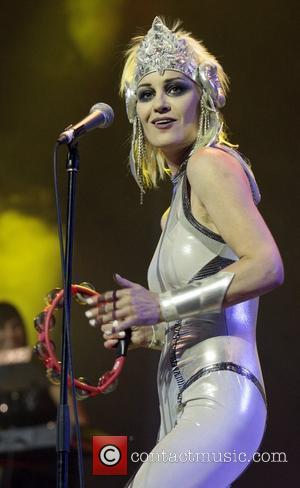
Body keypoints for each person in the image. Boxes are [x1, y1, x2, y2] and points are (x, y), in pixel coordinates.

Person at [86, 17, 284, 488]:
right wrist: (145, 331)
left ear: (204, 96)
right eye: (146, 94)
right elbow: (195, 317)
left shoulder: (210, 164)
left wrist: (160, 305)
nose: (158, 105)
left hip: (221, 391)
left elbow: (267, 266)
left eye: (174, 89)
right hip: (183, 399)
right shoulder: (171, 209)